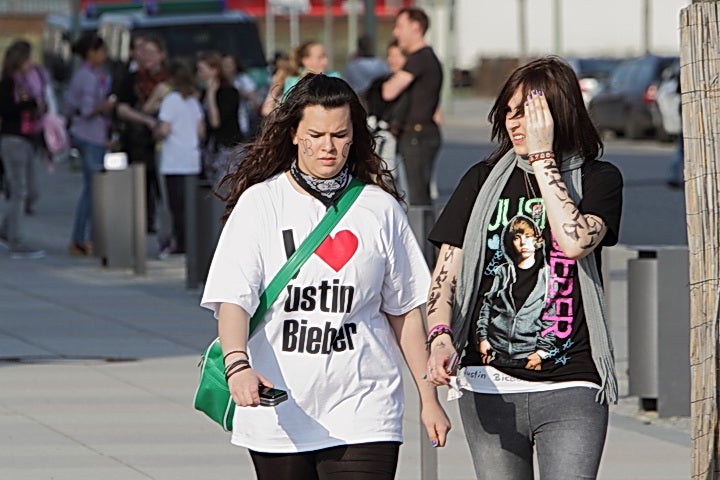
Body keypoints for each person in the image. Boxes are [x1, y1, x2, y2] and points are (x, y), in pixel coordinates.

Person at [200, 73, 450, 480]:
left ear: (354, 136)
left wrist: (429, 398)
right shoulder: (261, 203)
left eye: (340, 134)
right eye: (316, 135)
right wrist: (237, 366)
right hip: (279, 405)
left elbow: (404, 312)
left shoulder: (379, 209)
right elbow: (233, 299)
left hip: (366, 405)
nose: (328, 147)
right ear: (294, 134)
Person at [424, 56, 623, 479]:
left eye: (528, 114)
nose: (516, 123)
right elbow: (445, 277)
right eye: (509, 112)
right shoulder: (481, 180)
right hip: (488, 383)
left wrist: (544, 157)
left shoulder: (598, 179)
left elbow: (574, 242)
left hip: (571, 384)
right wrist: (440, 337)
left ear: (558, 116)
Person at [382, 6, 442, 206]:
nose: (396, 32)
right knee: (419, 195)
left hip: (417, 135)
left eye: (400, 26)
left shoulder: (419, 58)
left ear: (415, 27)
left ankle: (422, 227)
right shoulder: (426, 57)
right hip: (420, 134)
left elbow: (389, 91)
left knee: (417, 199)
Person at [64, 32, 116, 256]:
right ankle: (81, 238)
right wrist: (105, 106)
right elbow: (87, 110)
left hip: (90, 134)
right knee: (93, 190)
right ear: (91, 53)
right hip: (89, 135)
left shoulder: (86, 74)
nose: (104, 56)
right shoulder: (87, 77)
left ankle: (87, 237)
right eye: (101, 51)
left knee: (92, 189)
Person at [114, 34, 166, 233]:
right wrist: (145, 119)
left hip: (167, 140)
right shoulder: (131, 79)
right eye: (144, 52)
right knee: (142, 183)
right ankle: (145, 223)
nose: (147, 57)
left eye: (152, 52)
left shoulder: (170, 78)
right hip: (138, 140)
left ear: (162, 55)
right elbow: (121, 108)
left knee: (164, 186)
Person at [0, 40, 47, 259]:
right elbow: (6, 109)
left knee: (30, 190)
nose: (31, 64)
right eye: (27, 59)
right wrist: (29, 105)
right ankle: (15, 240)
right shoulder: (8, 82)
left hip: (28, 137)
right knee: (19, 190)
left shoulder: (29, 81)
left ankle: (6, 229)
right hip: (13, 138)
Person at [155, 60, 205, 257]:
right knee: (190, 206)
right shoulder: (193, 102)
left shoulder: (170, 100)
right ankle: (191, 242)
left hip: (173, 160)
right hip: (192, 158)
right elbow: (201, 131)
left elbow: (164, 129)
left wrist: (155, 131)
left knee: (175, 207)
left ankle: (179, 243)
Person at [365, 40, 410, 196]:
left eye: (397, 56)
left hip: (402, 142)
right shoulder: (378, 83)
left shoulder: (412, 87)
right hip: (381, 139)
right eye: (390, 55)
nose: (392, 60)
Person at [261, 41, 341, 117]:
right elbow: (270, 110)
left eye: (326, 56)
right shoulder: (292, 81)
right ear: (305, 61)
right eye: (320, 57)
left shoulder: (334, 76)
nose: (325, 61)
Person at [197, 52, 242, 185]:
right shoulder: (202, 93)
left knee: (225, 185)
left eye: (202, 70)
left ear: (214, 70)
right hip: (211, 147)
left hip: (227, 147)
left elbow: (215, 122)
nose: (199, 74)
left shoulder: (229, 93)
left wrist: (211, 96)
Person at [221, 53, 261, 141]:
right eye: (225, 65)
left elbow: (254, 98)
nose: (228, 67)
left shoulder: (242, 79)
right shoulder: (220, 82)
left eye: (230, 64)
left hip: (243, 120)